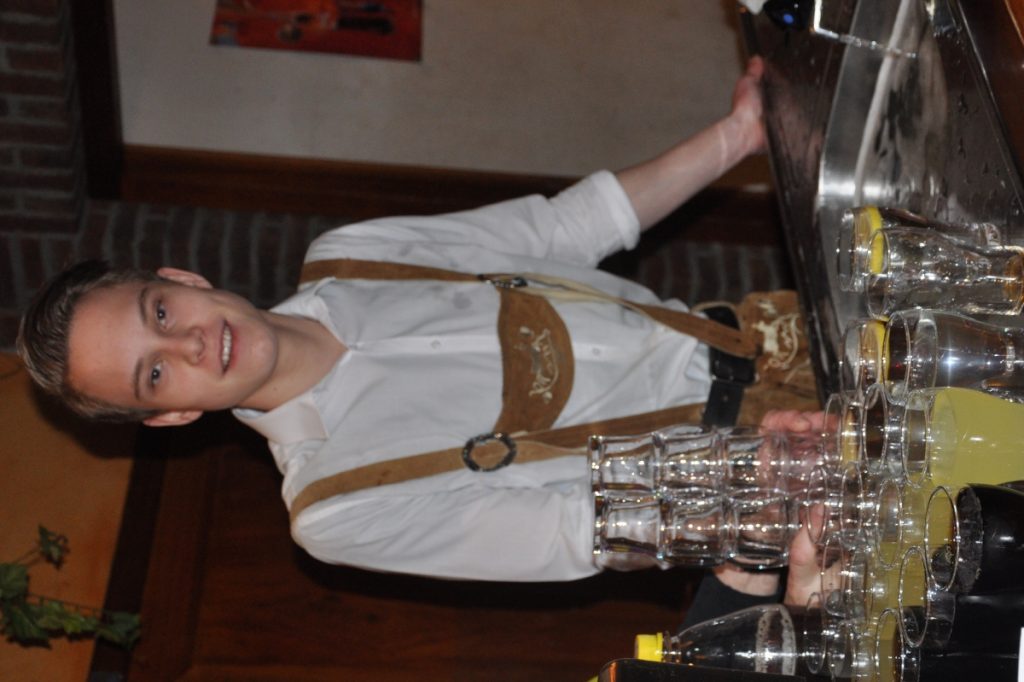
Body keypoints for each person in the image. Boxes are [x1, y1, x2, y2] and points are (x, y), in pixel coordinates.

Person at [18, 56, 817, 585]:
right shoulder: (336, 505)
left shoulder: (350, 255)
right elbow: (578, 533)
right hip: (762, 468)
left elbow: (564, 229)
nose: (190, 342)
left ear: (182, 279)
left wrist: (738, 136)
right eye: (156, 373)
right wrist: (759, 485)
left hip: (773, 325)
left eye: (160, 312)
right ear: (172, 415)